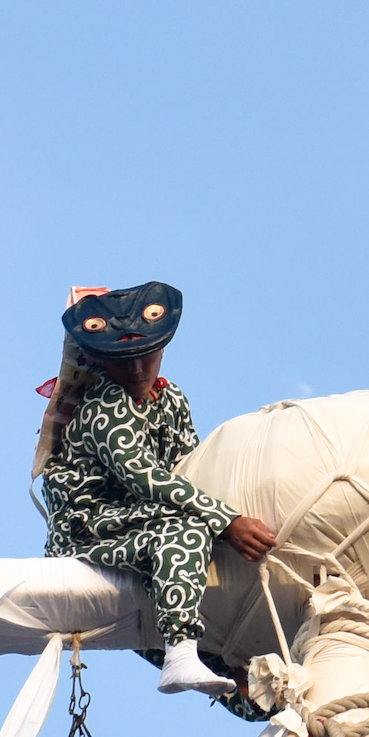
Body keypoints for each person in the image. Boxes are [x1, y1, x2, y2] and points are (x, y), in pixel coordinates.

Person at [38, 281, 278, 696]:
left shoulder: (173, 402)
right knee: (186, 531)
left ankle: (270, 704)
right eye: (121, 361)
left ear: (161, 351)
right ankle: (181, 654)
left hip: (143, 524)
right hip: (90, 528)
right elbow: (145, 477)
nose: (135, 371)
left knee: (237, 673)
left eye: (143, 358)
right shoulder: (102, 406)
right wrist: (228, 520)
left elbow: (191, 469)